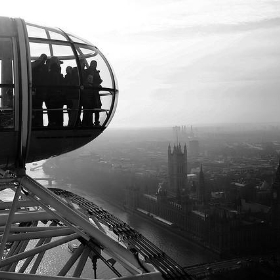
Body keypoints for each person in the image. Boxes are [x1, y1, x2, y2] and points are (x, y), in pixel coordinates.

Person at [45, 56, 65, 127]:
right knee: (58, 116)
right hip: (57, 98)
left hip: (50, 98)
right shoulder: (57, 74)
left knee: (51, 115)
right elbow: (59, 85)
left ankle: (52, 125)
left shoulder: (48, 74)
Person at [82, 60, 102, 126]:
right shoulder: (88, 72)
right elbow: (86, 82)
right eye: (93, 64)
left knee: (95, 107)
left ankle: (95, 122)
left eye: (95, 64)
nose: (94, 65)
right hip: (90, 93)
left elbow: (98, 80)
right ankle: (89, 122)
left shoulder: (93, 72)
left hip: (94, 93)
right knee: (90, 108)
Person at [31, 53, 48, 126]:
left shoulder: (34, 65)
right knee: (38, 108)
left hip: (35, 91)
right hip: (40, 91)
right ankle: (39, 123)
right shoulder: (44, 68)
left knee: (35, 107)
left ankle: (34, 122)